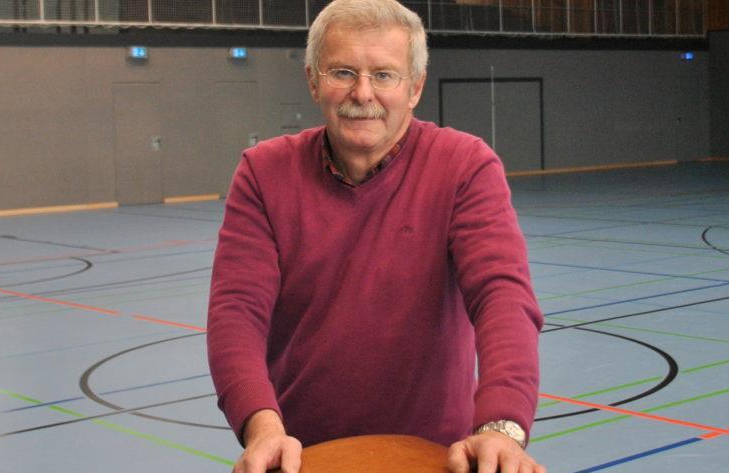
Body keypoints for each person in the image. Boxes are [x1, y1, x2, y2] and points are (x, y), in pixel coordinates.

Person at [206, 1, 545, 472]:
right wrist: (262, 428)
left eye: (384, 75)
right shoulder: (263, 174)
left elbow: (502, 297)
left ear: (415, 88)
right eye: (343, 71)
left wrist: (501, 427)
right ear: (312, 80)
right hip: (303, 456)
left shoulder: (466, 166)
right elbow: (236, 312)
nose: (362, 93)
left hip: (438, 457)